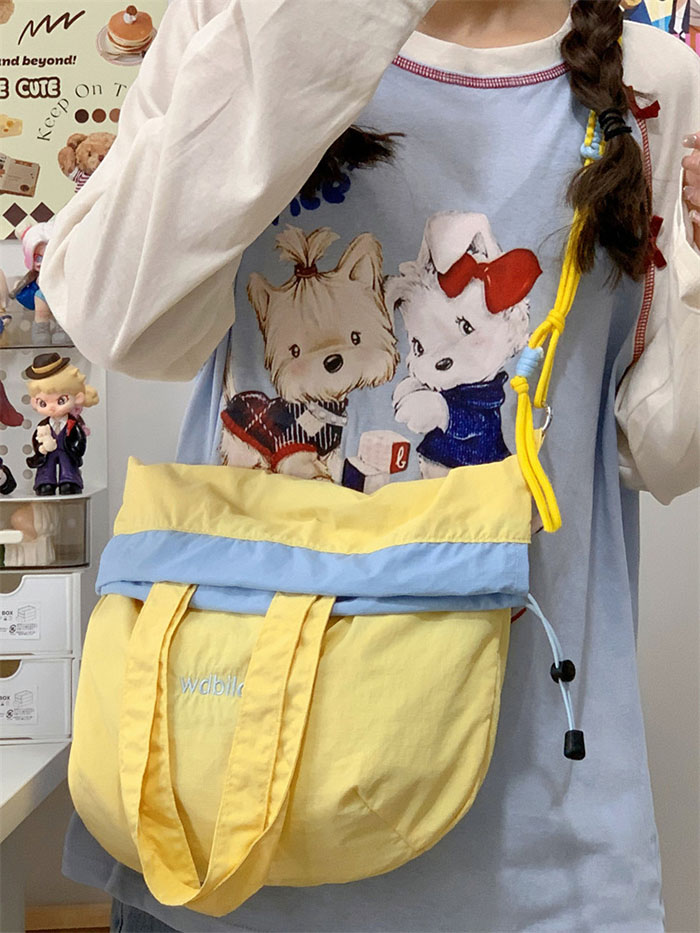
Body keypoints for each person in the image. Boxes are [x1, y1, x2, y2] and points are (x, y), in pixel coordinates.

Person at [39, 0, 700, 930]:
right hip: (219, 800)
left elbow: (661, 447)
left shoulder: (652, 81)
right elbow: (123, 325)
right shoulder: (237, 16)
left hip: (529, 838)